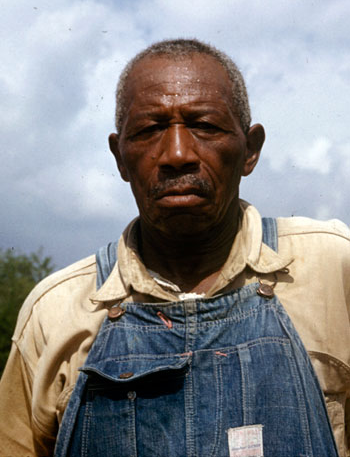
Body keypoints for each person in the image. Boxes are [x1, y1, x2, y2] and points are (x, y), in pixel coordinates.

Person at [0, 38, 349, 457]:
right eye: (149, 131)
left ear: (250, 150)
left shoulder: (333, 269)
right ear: (120, 158)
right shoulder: (55, 314)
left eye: (205, 126)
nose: (177, 154)